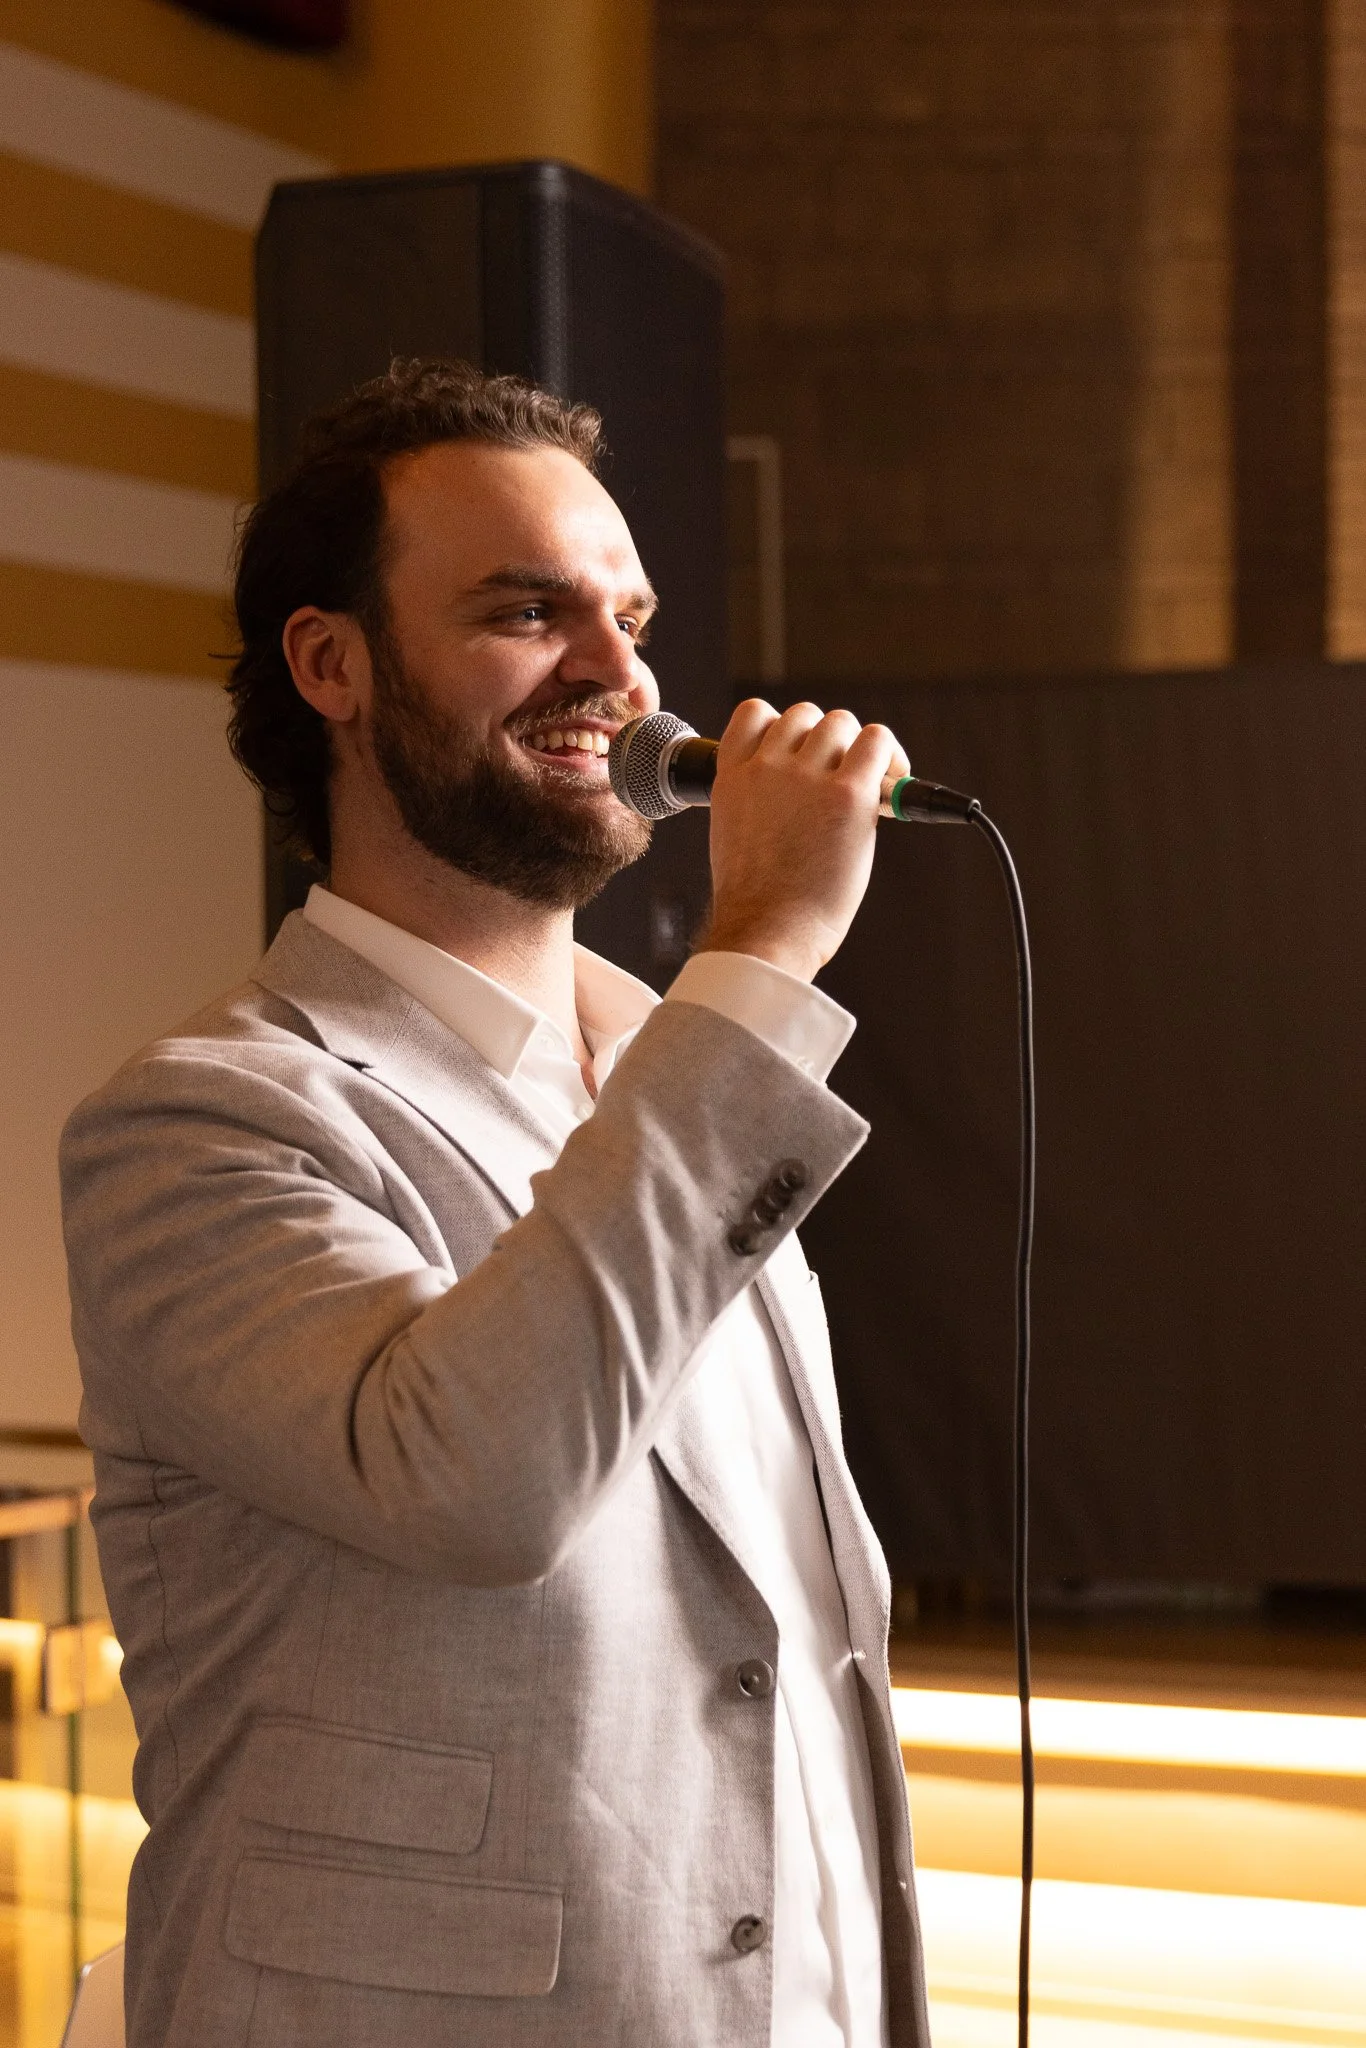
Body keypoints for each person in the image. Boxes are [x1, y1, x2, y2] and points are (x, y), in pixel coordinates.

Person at [60, 359, 932, 2048]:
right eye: (529, 613)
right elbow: (477, 1488)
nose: (619, 673)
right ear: (331, 665)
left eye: (631, 616)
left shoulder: (689, 1071)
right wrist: (761, 949)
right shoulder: (202, 1122)